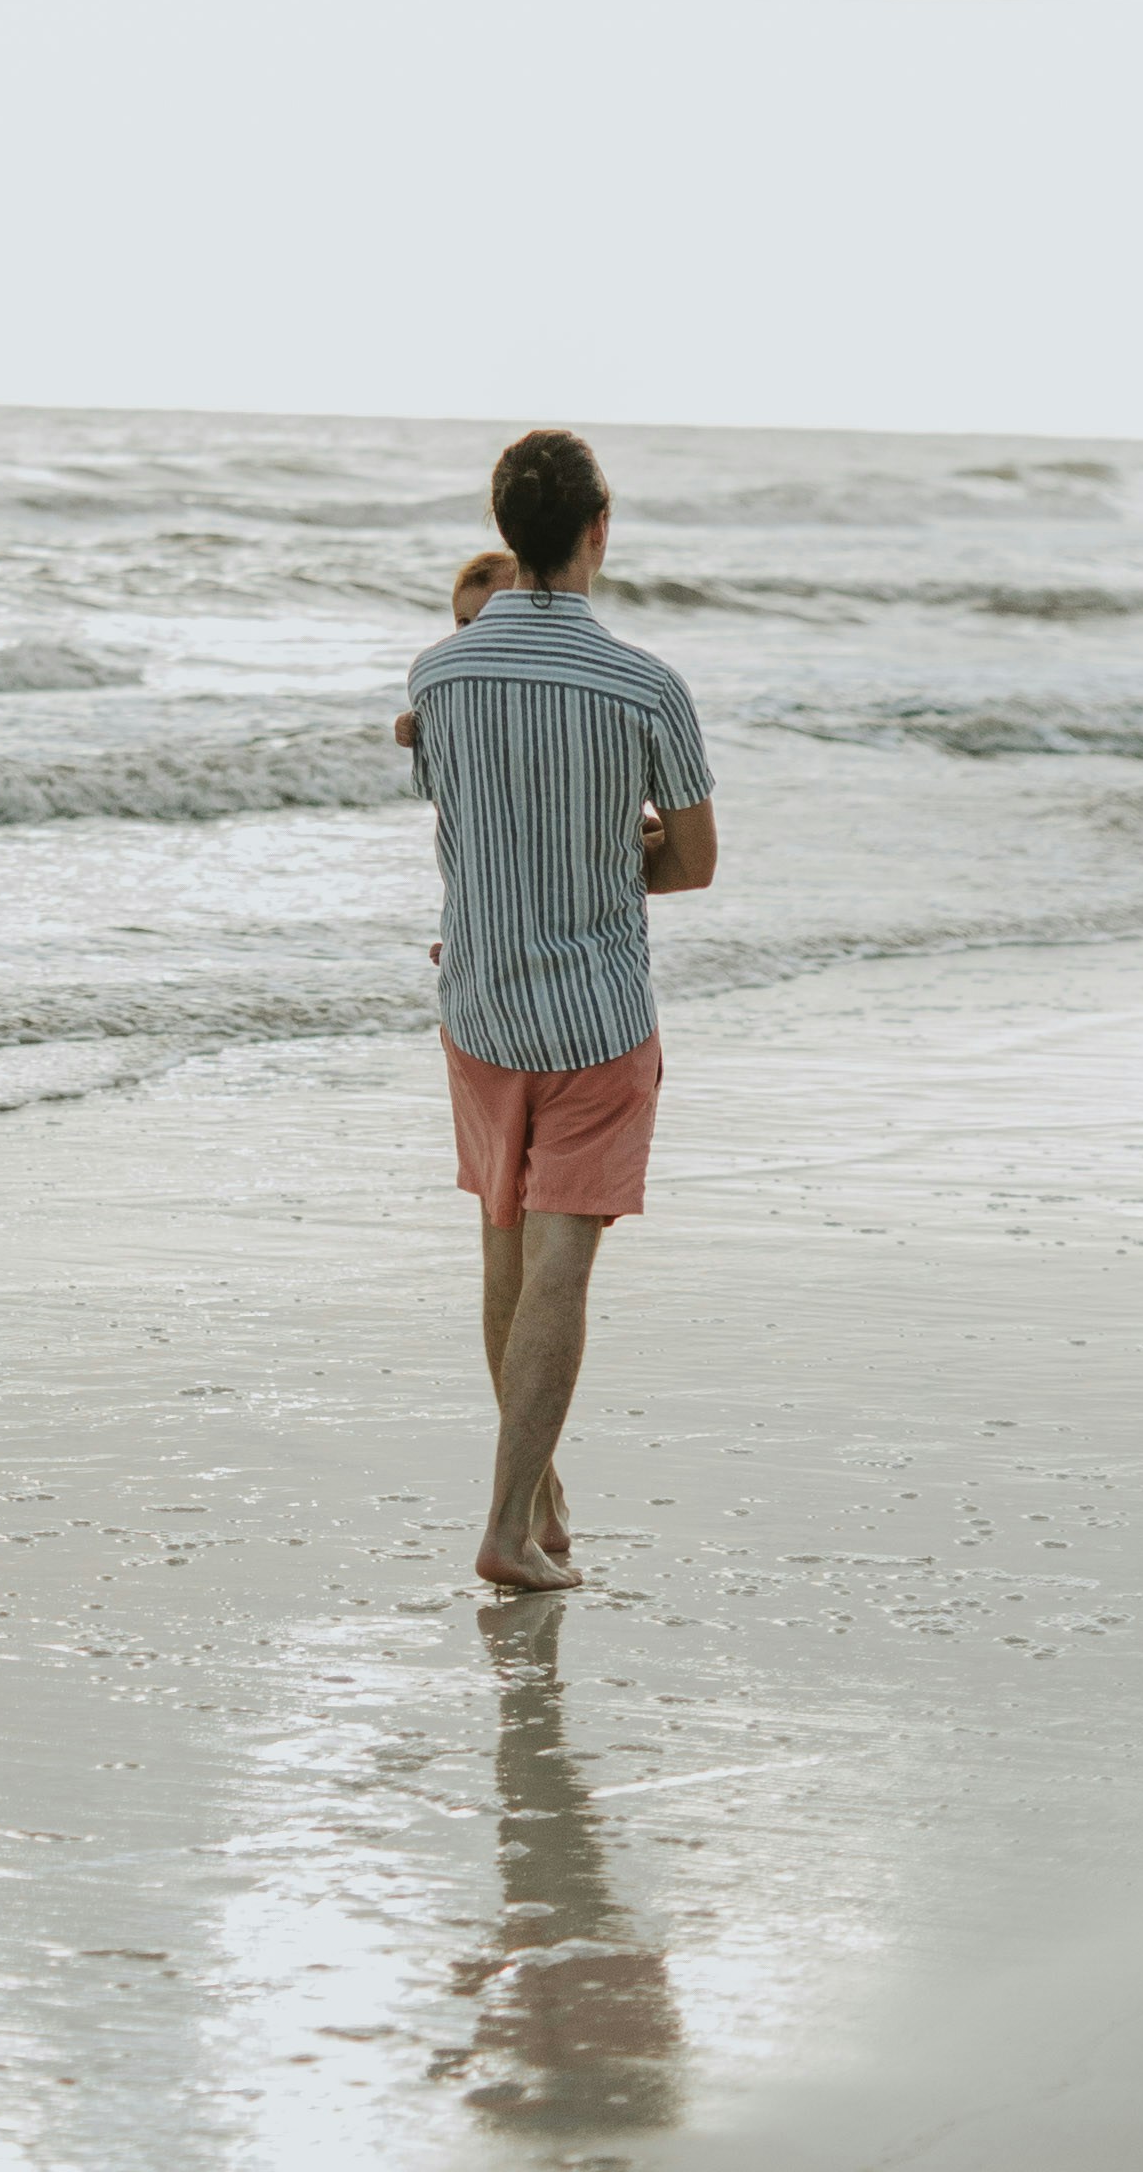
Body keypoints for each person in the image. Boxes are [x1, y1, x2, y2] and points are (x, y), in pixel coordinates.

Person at [399, 426, 717, 1594]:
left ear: (507, 537)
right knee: (561, 1259)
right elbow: (692, 864)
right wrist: (611, 849)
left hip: (479, 1002)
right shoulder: (647, 684)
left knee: (501, 1240)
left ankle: (535, 1496)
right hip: (594, 1013)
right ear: (598, 532)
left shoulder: (440, 674)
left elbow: (464, 825)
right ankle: (505, 1524)